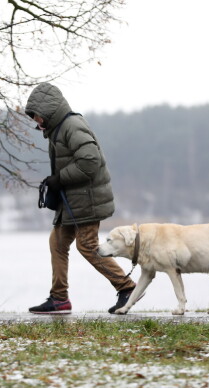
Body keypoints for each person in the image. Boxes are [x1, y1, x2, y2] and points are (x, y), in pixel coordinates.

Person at [25, 82, 137, 314]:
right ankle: (59, 299)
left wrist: (60, 178)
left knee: (86, 246)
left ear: (48, 110)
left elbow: (89, 162)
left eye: (36, 115)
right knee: (57, 242)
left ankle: (127, 288)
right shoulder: (58, 130)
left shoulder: (72, 126)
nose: (36, 120)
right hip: (72, 201)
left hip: (87, 200)